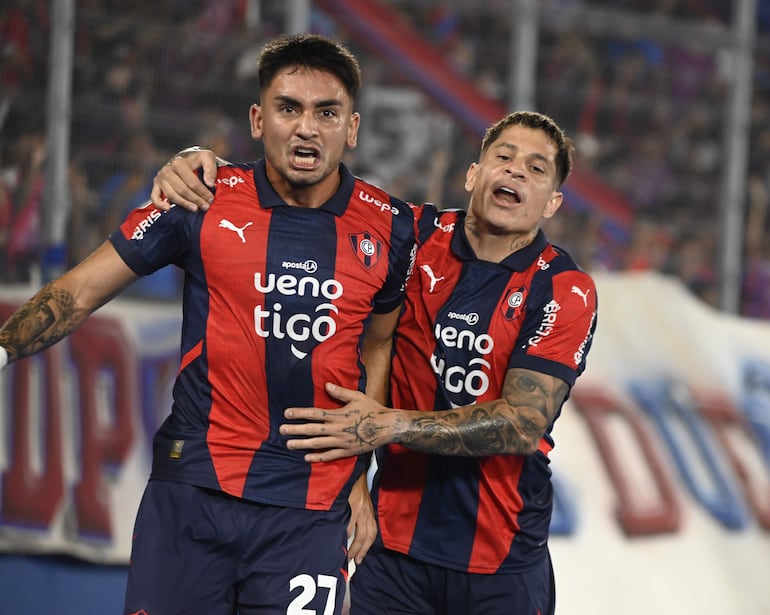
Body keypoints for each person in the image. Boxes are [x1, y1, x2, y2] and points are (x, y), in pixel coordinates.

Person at [0, 33, 418, 615]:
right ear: (257, 118)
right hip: (192, 494)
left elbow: (378, 345)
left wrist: (359, 475)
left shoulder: (395, 227)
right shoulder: (199, 196)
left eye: (327, 112)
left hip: (308, 514)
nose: (306, 128)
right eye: (288, 108)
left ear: (352, 127)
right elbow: (81, 290)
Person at [152, 110, 598, 615]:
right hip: (392, 555)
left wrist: (387, 426)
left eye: (537, 169)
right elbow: (314, 192)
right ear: (473, 174)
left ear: (553, 202)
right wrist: (199, 163)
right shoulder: (412, 238)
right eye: (504, 156)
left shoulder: (565, 288)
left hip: (503, 564)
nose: (517, 171)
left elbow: (521, 423)